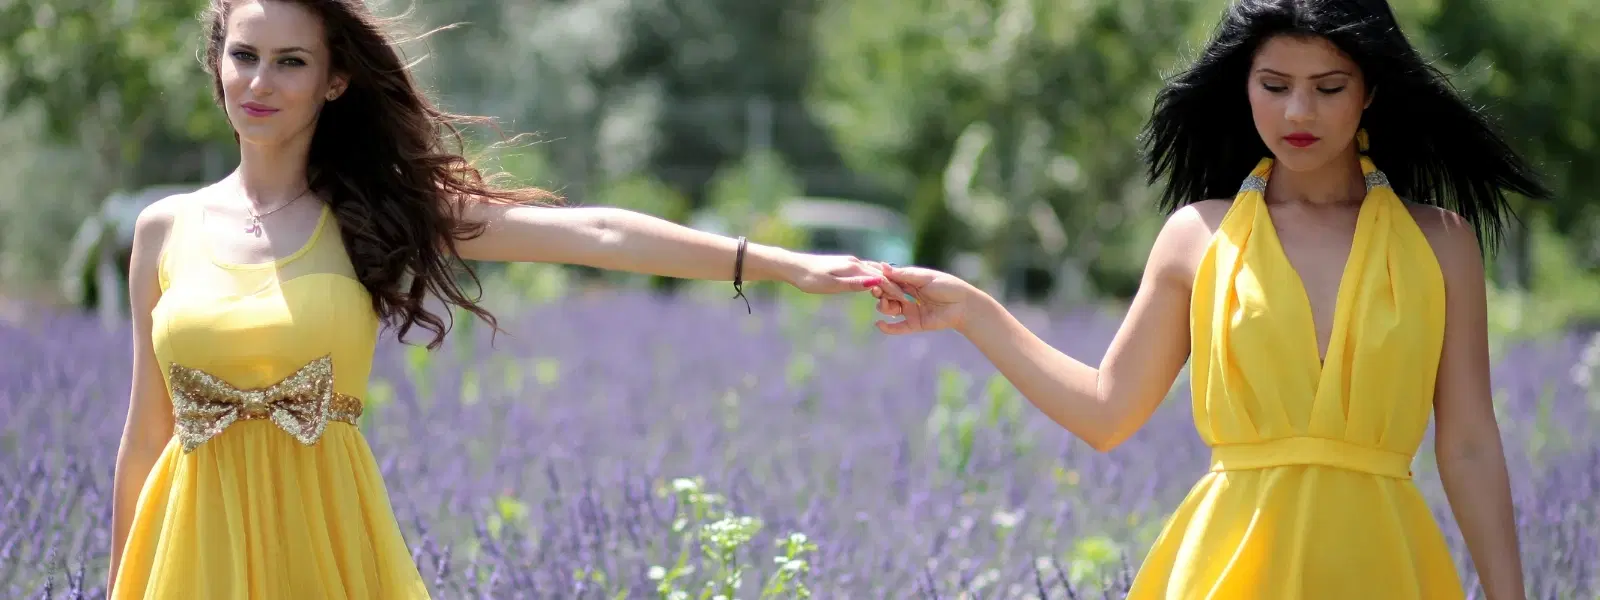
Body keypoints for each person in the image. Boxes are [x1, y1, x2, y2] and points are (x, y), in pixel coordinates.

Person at [105, 1, 902, 597]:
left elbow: (594, 234)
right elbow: (145, 439)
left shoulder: (372, 217)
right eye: (243, 55)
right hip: (190, 553)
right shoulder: (161, 228)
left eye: (290, 61)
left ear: (335, 79)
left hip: (329, 550)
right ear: (217, 63)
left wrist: (772, 262)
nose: (258, 81)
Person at [868, 0, 1547, 598]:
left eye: (1328, 87)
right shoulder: (1196, 236)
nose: (1298, 111)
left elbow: (1468, 446)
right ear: (1243, 86)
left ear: (1369, 90)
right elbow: (1107, 412)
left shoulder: (1441, 243)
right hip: (1228, 568)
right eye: (1274, 85)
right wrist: (971, 311)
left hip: (1383, 566)